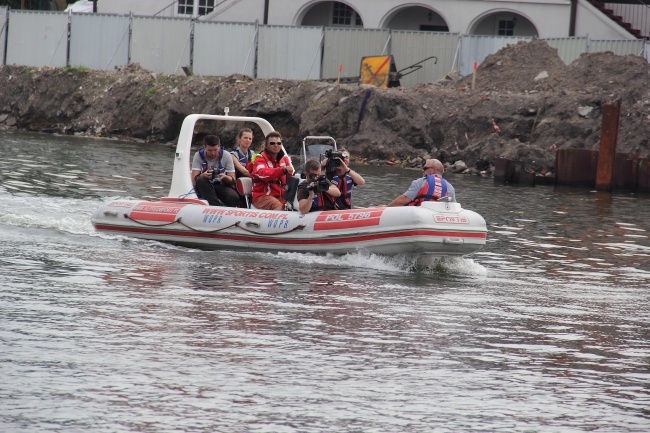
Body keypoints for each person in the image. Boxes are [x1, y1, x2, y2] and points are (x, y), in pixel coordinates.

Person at [191, 134, 240, 207]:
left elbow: (233, 180)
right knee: (201, 180)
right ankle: (216, 206)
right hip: (204, 185)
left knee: (234, 197)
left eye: (215, 150)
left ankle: (228, 210)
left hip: (219, 183)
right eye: (210, 150)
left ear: (219, 146)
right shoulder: (198, 156)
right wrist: (203, 175)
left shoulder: (226, 155)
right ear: (204, 147)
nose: (213, 153)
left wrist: (225, 177)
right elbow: (194, 180)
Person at [249, 131, 295, 210]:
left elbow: (291, 178)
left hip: (281, 195)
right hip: (262, 196)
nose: (276, 145)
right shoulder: (259, 158)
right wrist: (282, 170)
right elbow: (263, 173)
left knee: (297, 203)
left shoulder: (285, 159)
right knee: (278, 206)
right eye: (272, 143)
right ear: (266, 145)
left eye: (278, 143)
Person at [387, 158, 456, 206]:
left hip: (418, 216)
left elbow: (403, 200)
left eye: (425, 168)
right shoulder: (450, 187)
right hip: (438, 218)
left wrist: (386, 208)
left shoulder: (420, 182)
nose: (422, 171)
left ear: (434, 170)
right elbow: (453, 206)